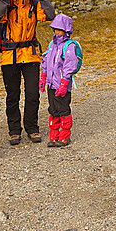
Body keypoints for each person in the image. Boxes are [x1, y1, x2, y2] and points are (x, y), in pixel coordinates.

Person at [0, 0, 55, 145]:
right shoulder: (8, 2)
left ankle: (32, 128)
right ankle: (14, 131)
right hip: (9, 55)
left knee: (33, 94)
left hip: (31, 54)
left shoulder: (34, 3)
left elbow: (50, 15)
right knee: (13, 95)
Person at [40, 14, 79, 147]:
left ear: (66, 30)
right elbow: (45, 60)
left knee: (63, 110)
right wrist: (43, 77)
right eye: (55, 29)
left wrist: (64, 83)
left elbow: (70, 65)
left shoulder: (69, 46)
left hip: (62, 85)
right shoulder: (52, 44)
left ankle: (64, 137)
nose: (57, 32)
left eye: (60, 29)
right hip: (51, 84)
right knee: (53, 110)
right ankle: (54, 136)